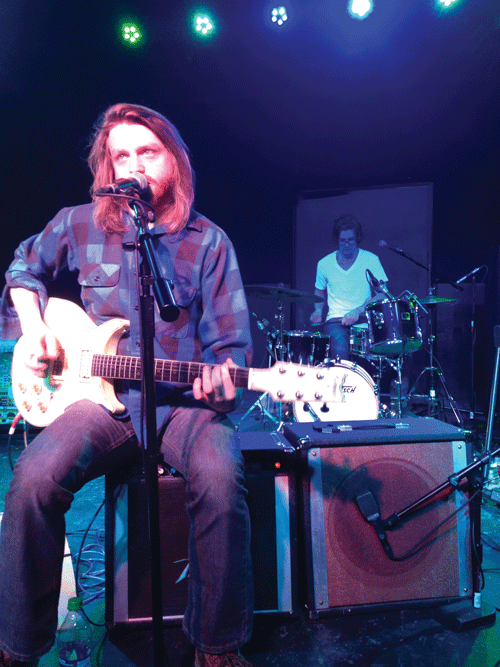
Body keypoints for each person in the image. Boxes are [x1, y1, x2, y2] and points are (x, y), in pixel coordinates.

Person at [0, 104, 254, 667]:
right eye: (122, 154)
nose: (134, 164)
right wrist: (37, 326)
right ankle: (19, 646)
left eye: (148, 151)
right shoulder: (79, 222)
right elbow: (23, 268)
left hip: (182, 406)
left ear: (174, 161)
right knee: (32, 481)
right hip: (100, 403)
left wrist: (223, 382)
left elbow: (232, 349)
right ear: (107, 166)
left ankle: (216, 645)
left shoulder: (208, 242)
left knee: (220, 477)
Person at [310, 214, 388, 361]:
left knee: (376, 357)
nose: (346, 244)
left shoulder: (370, 260)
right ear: (337, 240)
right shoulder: (324, 264)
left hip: (365, 318)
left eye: (350, 240)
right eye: (342, 241)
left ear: (357, 239)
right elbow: (319, 290)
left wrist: (357, 311)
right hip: (336, 320)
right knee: (340, 351)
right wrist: (318, 310)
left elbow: (382, 294)